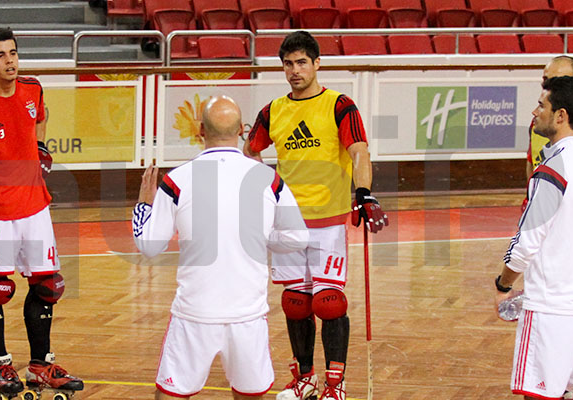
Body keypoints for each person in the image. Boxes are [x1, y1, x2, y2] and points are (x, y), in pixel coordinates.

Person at [135, 96, 310, 400]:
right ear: (243, 129)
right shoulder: (269, 180)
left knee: (172, 394)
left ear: (200, 130)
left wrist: (143, 204)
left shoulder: (176, 181)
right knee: (249, 394)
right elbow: (298, 238)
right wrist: (262, 238)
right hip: (248, 315)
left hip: (194, 313)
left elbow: (149, 246)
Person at [243, 30, 386, 400]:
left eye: (302, 62)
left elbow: (359, 152)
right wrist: (264, 187)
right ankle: (304, 379)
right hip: (287, 221)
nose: (295, 71)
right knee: (295, 302)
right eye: (288, 64)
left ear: (317, 63)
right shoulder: (272, 110)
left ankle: (335, 386)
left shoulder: (340, 105)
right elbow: (250, 150)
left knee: (329, 301)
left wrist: (364, 193)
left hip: (328, 220)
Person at [494, 76, 573, 400]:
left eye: (542, 105)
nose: (535, 112)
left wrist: (503, 284)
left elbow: (525, 243)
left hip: (551, 308)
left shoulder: (553, 169)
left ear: (561, 115)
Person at [0, 27, 82, 397]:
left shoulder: (33, 88)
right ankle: (2, 366)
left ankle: (40, 365)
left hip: (35, 206)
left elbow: (40, 117)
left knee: (48, 286)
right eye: (1, 56)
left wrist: (38, 144)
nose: (10, 61)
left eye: (13, 53)